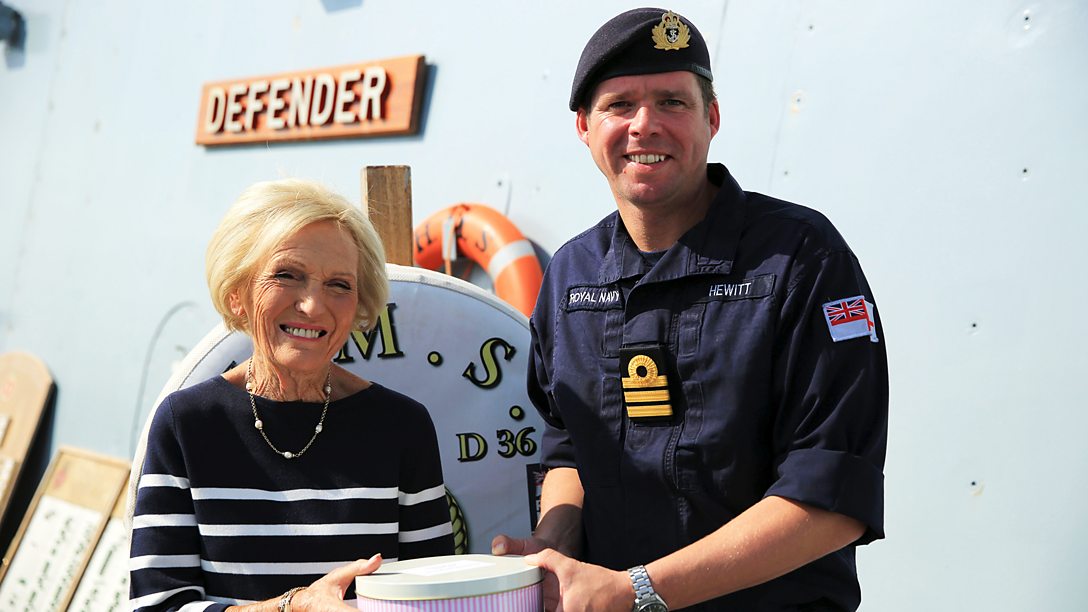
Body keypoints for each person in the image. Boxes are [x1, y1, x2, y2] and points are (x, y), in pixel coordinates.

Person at [492, 8, 888, 612]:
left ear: (712, 118)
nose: (644, 125)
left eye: (672, 102)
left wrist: (636, 591)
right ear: (585, 128)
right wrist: (553, 540)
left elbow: (831, 498)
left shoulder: (803, 259)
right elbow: (567, 446)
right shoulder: (571, 274)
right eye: (619, 104)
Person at [129, 179, 454, 611]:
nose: (313, 306)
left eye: (339, 284)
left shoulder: (402, 428)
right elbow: (159, 607)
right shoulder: (186, 425)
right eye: (287, 275)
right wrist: (294, 607)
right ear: (238, 293)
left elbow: (436, 599)